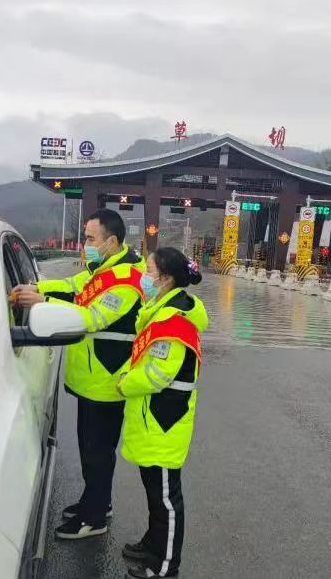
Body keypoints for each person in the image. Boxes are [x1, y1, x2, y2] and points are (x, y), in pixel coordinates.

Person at [12, 209, 146, 539]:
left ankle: (94, 518)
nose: (85, 245)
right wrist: (38, 287)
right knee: (91, 450)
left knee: (97, 453)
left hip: (106, 380)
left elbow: (93, 318)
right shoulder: (104, 269)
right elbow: (73, 286)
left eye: (90, 239)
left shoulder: (127, 280)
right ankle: (97, 502)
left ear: (111, 242)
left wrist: (42, 301)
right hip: (92, 377)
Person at [115, 247, 209, 578]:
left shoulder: (174, 321)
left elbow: (157, 374)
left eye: (148, 271)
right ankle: (153, 544)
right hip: (154, 419)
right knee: (155, 492)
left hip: (164, 421)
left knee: (167, 499)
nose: (144, 276)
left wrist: (124, 384)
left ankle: (166, 565)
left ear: (165, 279)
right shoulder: (160, 311)